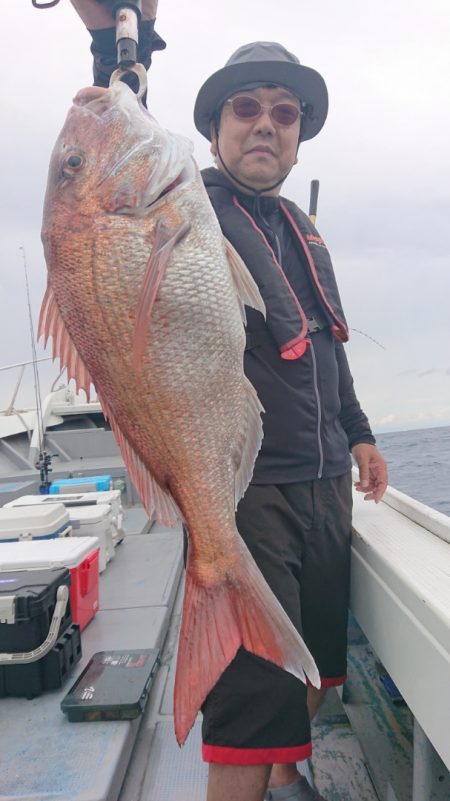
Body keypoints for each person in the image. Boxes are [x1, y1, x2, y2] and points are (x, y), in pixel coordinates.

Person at [70, 4, 388, 800]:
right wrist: (117, 43)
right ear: (209, 132)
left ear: (298, 135)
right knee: (249, 716)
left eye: (284, 114)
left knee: (312, 666)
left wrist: (361, 435)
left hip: (323, 488)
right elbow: (116, 143)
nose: (266, 125)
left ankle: (291, 778)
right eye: (245, 109)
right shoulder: (188, 204)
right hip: (246, 496)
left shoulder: (301, 229)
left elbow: (324, 344)